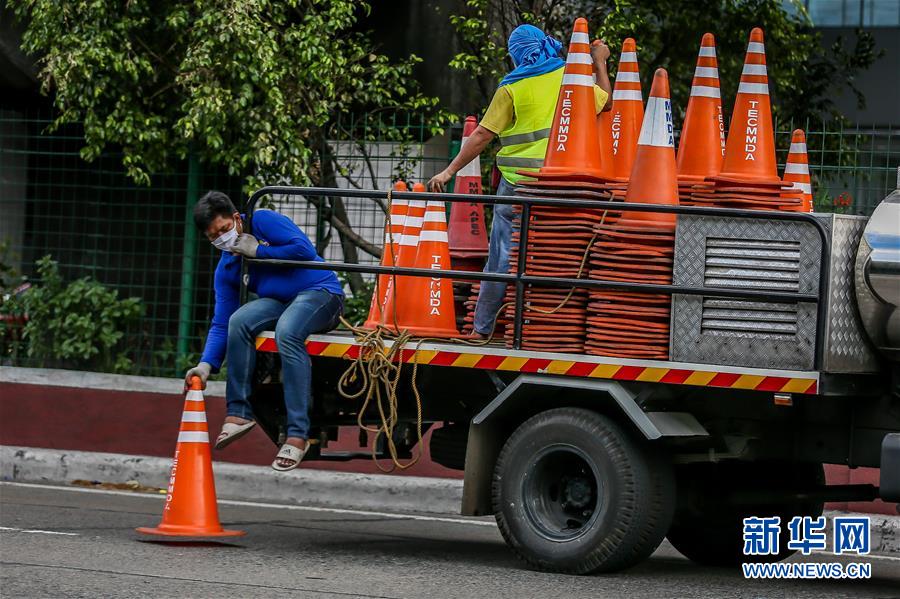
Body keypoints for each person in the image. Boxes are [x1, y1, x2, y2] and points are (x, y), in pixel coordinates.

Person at [428, 25, 612, 338]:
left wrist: (449, 171)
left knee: (501, 258)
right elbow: (606, 102)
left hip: (517, 186)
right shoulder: (571, 79)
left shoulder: (512, 87)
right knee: (556, 256)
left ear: (517, 55)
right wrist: (600, 63)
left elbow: (483, 135)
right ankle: (547, 332)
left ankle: (482, 330)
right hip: (564, 187)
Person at [184, 191, 344, 471]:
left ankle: (297, 435)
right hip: (281, 303)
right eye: (213, 237)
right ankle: (238, 415)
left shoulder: (263, 220)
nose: (221, 238)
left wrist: (259, 251)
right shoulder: (228, 267)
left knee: (287, 331)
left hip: (320, 293)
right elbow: (222, 322)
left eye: (224, 229)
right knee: (239, 320)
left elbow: (303, 250)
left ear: (236, 218)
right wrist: (205, 365)